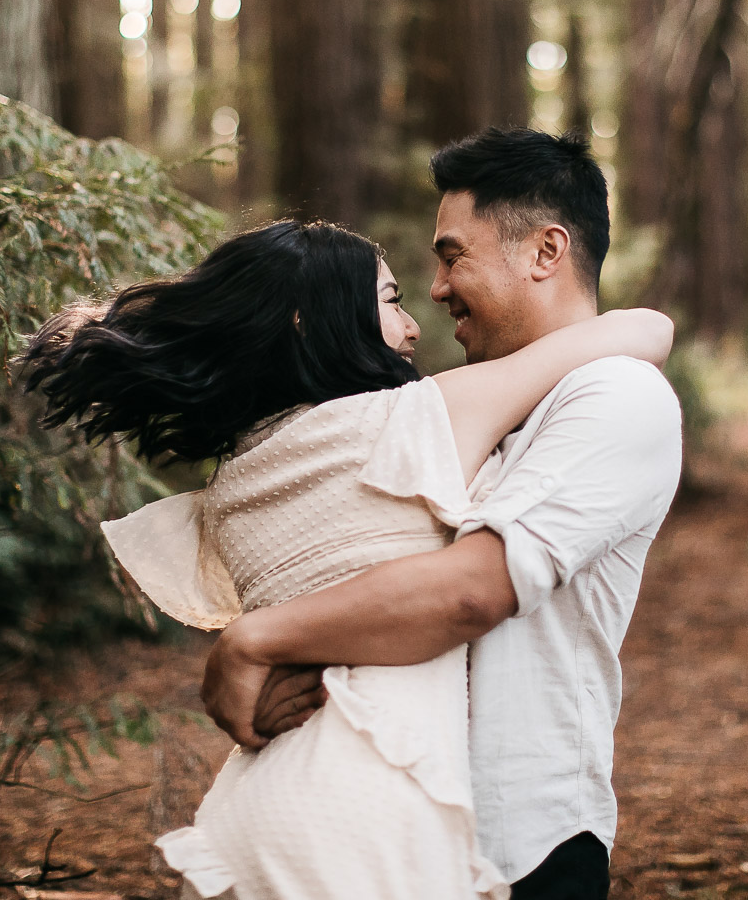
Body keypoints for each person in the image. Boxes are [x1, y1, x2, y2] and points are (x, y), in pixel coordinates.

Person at [18, 215, 674, 900]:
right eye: (391, 301)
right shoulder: (415, 420)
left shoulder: (235, 484)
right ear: (308, 321)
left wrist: (246, 644)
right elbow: (642, 331)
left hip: (253, 812)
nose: (414, 326)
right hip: (360, 818)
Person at [201, 129, 685, 900]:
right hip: (385, 832)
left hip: (520, 846)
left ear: (546, 251)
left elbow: (471, 590)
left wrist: (253, 639)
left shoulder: (616, 397)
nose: (435, 288)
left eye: (452, 255)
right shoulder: (470, 405)